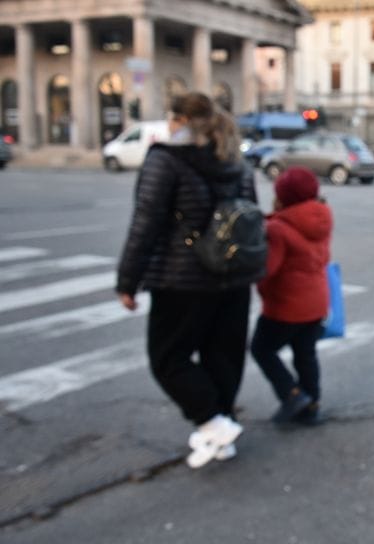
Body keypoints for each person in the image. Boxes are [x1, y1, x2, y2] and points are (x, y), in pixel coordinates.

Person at [116, 92, 261, 469]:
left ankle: (213, 423)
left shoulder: (166, 161)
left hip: (183, 280)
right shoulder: (236, 162)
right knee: (224, 357)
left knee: (168, 358)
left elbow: (145, 224)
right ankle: (221, 430)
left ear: (179, 121)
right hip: (233, 278)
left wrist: (127, 281)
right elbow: (251, 219)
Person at [251, 167, 333, 425]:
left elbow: (269, 269)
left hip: (286, 306)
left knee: (261, 349)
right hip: (317, 302)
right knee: (305, 354)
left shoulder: (278, 227)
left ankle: (291, 394)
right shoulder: (322, 217)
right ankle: (313, 405)